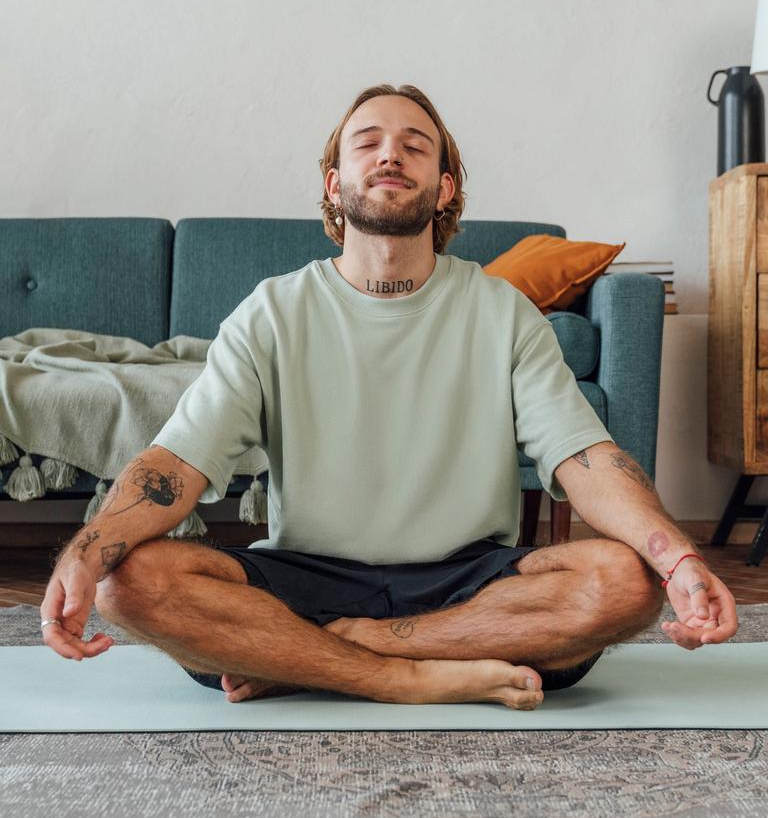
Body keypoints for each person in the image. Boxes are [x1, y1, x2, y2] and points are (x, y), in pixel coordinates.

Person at [40, 83, 739, 710]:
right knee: (126, 584)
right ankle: (399, 677)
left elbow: (586, 460)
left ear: (443, 187)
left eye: (415, 145)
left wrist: (680, 558)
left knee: (625, 579)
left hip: (469, 583)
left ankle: (315, 657)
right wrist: (87, 550)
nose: (390, 155)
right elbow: (176, 467)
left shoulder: (502, 313)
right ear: (334, 181)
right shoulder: (272, 312)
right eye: (367, 142)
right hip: (304, 574)